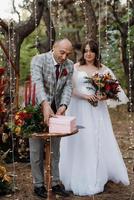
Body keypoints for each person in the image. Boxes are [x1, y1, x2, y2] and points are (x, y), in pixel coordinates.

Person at [59, 39, 130, 196]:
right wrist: (85, 96)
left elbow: (115, 91)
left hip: (97, 111)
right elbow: (69, 88)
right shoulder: (75, 67)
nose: (88, 53)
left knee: (94, 138)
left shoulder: (103, 69)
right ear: (82, 53)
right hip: (78, 108)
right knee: (78, 139)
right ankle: (74, 174)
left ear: (96, 53)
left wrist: (103, 96)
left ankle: (96, 174)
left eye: (91, 51)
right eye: (86, 50)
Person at [29, 38, 74, 198]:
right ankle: (39, 185)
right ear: (54, 47)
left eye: (67, 54)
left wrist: (63, 106)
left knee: (56, 149)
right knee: (36, 150)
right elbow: (37, 82)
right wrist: (44, 104)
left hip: (56, 112)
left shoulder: (69, 65)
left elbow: (68, 86)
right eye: (62, 52)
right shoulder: (38, 60)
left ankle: (55, 183)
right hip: (34, 109)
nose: (64, 57)